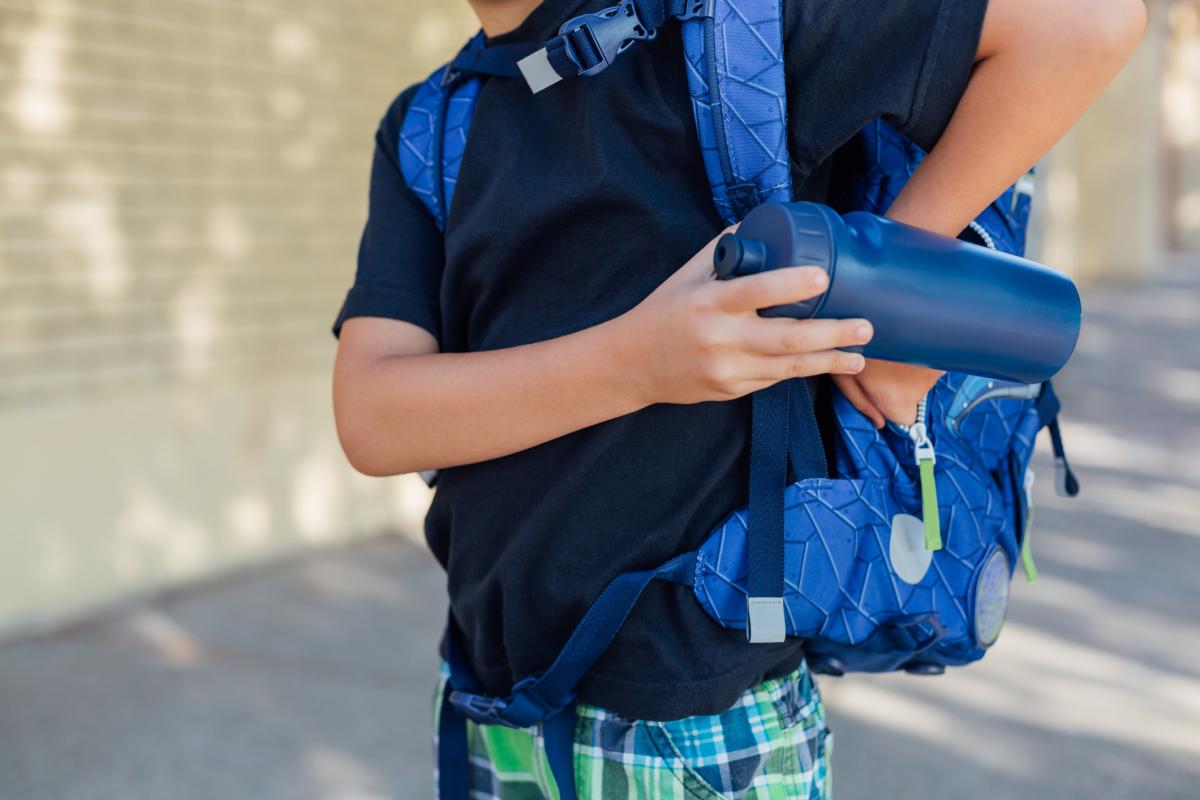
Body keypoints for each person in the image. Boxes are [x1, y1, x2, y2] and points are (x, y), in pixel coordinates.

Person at [331, 0, 1145, 796]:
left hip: (700, 730)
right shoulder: (432, 122)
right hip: (489, 697)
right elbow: (372, 417)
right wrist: (638, 361)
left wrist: (898, 297)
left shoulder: (741, 27)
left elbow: (1087, 22)